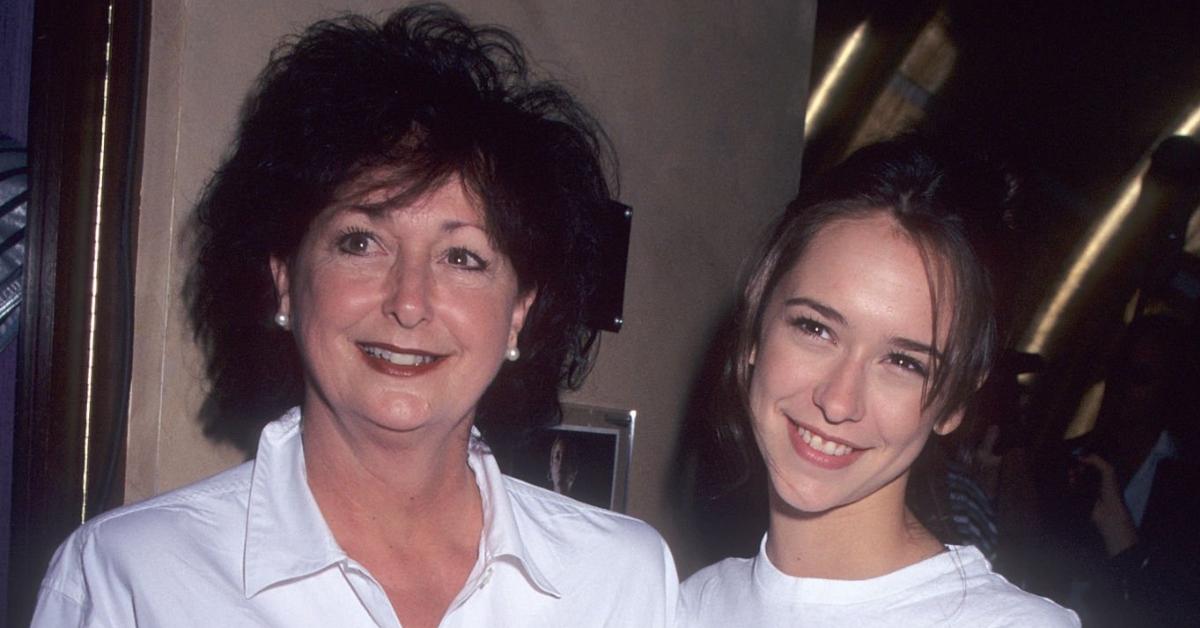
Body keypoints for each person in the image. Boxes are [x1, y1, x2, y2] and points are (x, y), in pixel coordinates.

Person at [32, 5, 677, 627]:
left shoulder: (621, 581)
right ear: (285, 280)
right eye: (360, 242)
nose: (408, 301)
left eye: (462, 257)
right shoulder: (128, 580)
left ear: (519, 315)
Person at [680, 137, 1078, 627]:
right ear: (755, 327)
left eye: (905, 363)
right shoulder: (690, 604)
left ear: (955, 401)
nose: (838, 401)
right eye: (815, 328)